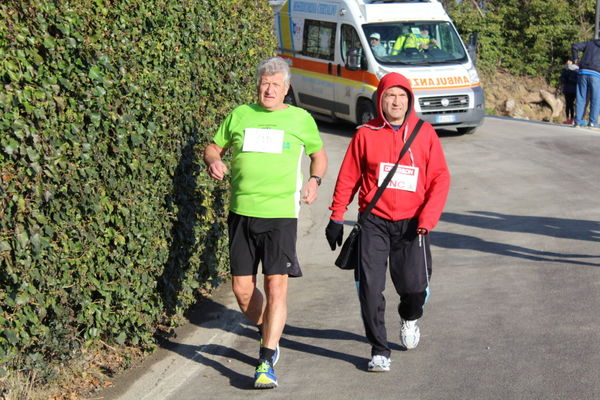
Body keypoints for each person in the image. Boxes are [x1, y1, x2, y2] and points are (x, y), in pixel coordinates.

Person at [204, 56, 327, 388]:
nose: (269, 89)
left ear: (286, 88)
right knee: (242, 291)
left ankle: (266, 357)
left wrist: (315, 180)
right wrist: (213, 162)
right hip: (242, 212)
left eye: (276, 84)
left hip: (281, 216)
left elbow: (319, 154)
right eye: (264, 83)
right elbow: (213, 147)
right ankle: (270, 328)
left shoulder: (301, 119)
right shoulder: (241, 115)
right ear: (257, 85)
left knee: (276, 287)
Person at [325, 72, 450, 372]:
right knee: (369, 288)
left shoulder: (424, 133)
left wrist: (428, 217)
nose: (396, 101)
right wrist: (336, 216)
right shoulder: (366, 134)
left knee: (415, 289)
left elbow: (440, 178)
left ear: (410, 100)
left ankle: (410, 317)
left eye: (402, 96)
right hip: (374, 223)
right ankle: (379, 349)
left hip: (412, 224)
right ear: (380, 99)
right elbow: (348, 177)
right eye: (390, 96)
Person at [572, 39, 600, 128]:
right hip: (596, 74)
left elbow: (575, 46)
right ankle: (592, 122)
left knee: (581, 97)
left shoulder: (590, 43)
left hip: (583, 72)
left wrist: (576, 60)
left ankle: (577, 121)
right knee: (595, 99)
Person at [559, 59, 578, 125]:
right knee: (569, 104)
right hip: (571, 89)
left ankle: (570, 119)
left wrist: (567, 80)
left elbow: (561, 79)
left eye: (569, 61)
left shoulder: (570, 70)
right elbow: (561, 78)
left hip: (570, 89)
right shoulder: (575, 70)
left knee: (569, 104)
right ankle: (569, 119)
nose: (568, 62)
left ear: (572, 62)